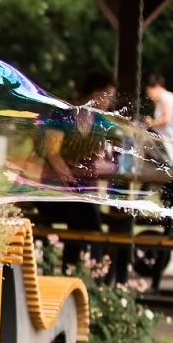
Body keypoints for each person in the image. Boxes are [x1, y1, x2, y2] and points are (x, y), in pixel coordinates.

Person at [34, 71, 117, 264]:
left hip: (80, 196)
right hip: (51, 193)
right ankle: (96, 263)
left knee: (83, 211)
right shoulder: (63, 116)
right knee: (84, 211)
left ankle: (81, 265)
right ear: (96, 94)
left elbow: (99, 158)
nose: (109, 102)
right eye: (108, 96)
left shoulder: (100, 122)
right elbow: (51, 152)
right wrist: (68, 178)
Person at [143, 73, 173, 148]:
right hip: (167, 140)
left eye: (150, 93)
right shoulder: (162, 100)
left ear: (157, 87)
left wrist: (151, 123)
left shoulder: (166, 98)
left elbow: (166, 120)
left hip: (172, 140)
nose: (149, 96)